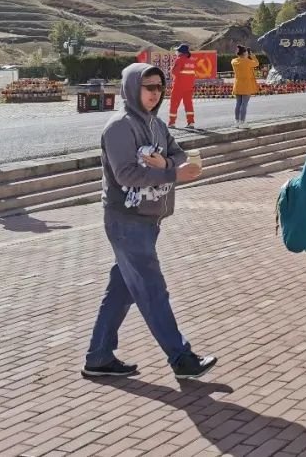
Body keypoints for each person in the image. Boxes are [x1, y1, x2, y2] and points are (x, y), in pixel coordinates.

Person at [82, 62, 217, 380]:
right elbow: (125, 173)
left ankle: (98, 356)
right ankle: (181, 358)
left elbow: (179, 154)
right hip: (126, 221)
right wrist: (171, 172)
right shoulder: (119, 127)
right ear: (131, 88)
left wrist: (166, 163)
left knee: (122, 289)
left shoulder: (157, 125)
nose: (155, 93)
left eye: (159, 87)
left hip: (148, 218)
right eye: (148, 87)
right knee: (153, 289)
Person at [168, 43, 197, 129]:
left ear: (181, 52)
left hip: (179, 86)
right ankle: (191, 122)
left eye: (177, 51)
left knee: (174, 104)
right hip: (189, 87)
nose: (176, 52)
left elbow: (174, 72)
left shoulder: (179, 59)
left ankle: (171, 123)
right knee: (188, 104)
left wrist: (172, 68)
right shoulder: (191, 61)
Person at [231, 45, 259, 127]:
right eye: (246, 51)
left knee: (238, 103)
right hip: (246, 85)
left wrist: (246, 56)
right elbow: (257, 63)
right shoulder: (247, 61)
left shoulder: (234, 61)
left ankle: (237, 121)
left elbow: (241, 60)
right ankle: (242, 122)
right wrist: (252, 56)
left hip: (237, 85)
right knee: (244, 104)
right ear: (244, 53)